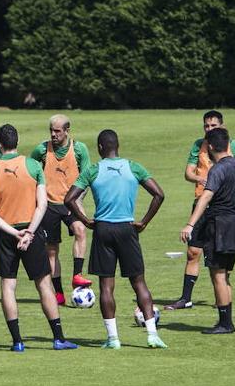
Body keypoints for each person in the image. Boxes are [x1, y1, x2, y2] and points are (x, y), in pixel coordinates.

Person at [65, 129, 167, 349]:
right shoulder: (133, 167)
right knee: (139, 283)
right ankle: (152, 335)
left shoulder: (93, 170)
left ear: (100, 148)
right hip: (127, 229)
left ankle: (113, 339)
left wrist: (86, 220)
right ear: (117, 146)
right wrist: (144, 221)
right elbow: (159, 194)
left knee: (106, 287)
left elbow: (69, 198)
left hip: (103, 230)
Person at [0, 124, 78, 352]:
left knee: (8, 285)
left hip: (6, 233)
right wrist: (30, 232)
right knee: (44, 284)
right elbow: (42, 204)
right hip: (32, 231)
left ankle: (17, 342)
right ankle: (58, 338)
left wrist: (14, 233)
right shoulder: (34, 166)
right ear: (17, 142)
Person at [169, 110, 235, 310]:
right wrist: (199, 179)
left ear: (222, 126)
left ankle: (223, 305)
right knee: (193, 252)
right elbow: (188, 172)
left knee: (221, 264)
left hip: (221, 211)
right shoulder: (198, 146)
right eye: (206, 126)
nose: (209, 129)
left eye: (213, 126)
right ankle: (186, 298)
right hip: (201, 204)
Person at [178, 128, 235, 335]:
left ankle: (225, 324)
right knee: (225, 275)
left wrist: (190, 224)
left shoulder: (218, 170)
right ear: (228, 144)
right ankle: (226, 321)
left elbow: (206, 197)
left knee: (217, 274)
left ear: (210, 147)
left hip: (220, 226)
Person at [29, 114, 92, 306]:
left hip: (71, 204)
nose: (53, 134)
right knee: (52, 250)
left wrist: (78, 200)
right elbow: (30, 170)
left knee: (81, 231)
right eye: (51, 130)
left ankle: (77, 275)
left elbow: (87, 178)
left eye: (57, 131)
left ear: (67, 130)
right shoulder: (41, 149)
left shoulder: (79, 149)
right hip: (49, 205)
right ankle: (58, 293)